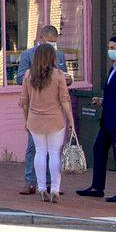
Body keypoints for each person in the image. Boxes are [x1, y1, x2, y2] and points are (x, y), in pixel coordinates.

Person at [77, 35, 116, 203]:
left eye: (113, 47)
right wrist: (102, 101)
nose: (110, 50)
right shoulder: (114, 68)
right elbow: (115, 95)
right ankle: (97, 187)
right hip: (108, 120)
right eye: (109, 47)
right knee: (99, 149)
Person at [17, 25, 70, 195]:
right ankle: (30, 181)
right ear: (41, 38)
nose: (53, 46)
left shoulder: (59, 56)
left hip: (52, 110)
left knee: (52, 151)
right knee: (36, 148)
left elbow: (65, 84)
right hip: (37, 109)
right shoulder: (28, 55)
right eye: (50, 42)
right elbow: (20, 79)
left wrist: (65, 79)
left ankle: (50, 184)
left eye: (55, 43)